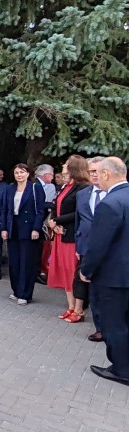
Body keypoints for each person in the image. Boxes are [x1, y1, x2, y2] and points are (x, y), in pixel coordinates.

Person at [80, 157, 129, 386]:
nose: (96, 177)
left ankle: (121, 369)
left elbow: (98, 245)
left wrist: (86, 270)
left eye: (98, 173)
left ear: (107, 174)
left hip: (113, 277)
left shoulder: (109, 203)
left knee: (114, 324)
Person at [47, 155, 90, 323]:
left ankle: (79, 309)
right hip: (60, 234)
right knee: (64, 271)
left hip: (72, 235)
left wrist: (57, 221)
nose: (63, 165)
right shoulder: (65, 186)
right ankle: (70, 306)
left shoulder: (83, 187)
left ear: (74, 168)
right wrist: (52, 221)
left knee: (73, 271)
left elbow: (79, 212)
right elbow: (55, 205)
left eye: (66, 164)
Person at [1, 164, 45, 305]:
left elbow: (40, 211)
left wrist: (36, 229)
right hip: (13, 226)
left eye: (22, 172)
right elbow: (5, 210)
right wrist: (4, 228)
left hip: (28, 228)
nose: (19, 175)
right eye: (16, 173)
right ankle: (16, 291)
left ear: (28, 173)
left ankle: (25, 294)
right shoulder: (10, 188)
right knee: (14, 262)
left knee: (26, 262)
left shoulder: (35, 188)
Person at [74, 157, 106, 342]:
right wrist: (78, 245)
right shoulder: (83, 194)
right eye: (91, 171)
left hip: (111, 251)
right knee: (93, 290)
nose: (94, 175)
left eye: (97, 171)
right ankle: (100, 328)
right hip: (87, 248)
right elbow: (79, 221)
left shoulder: (116, 194)